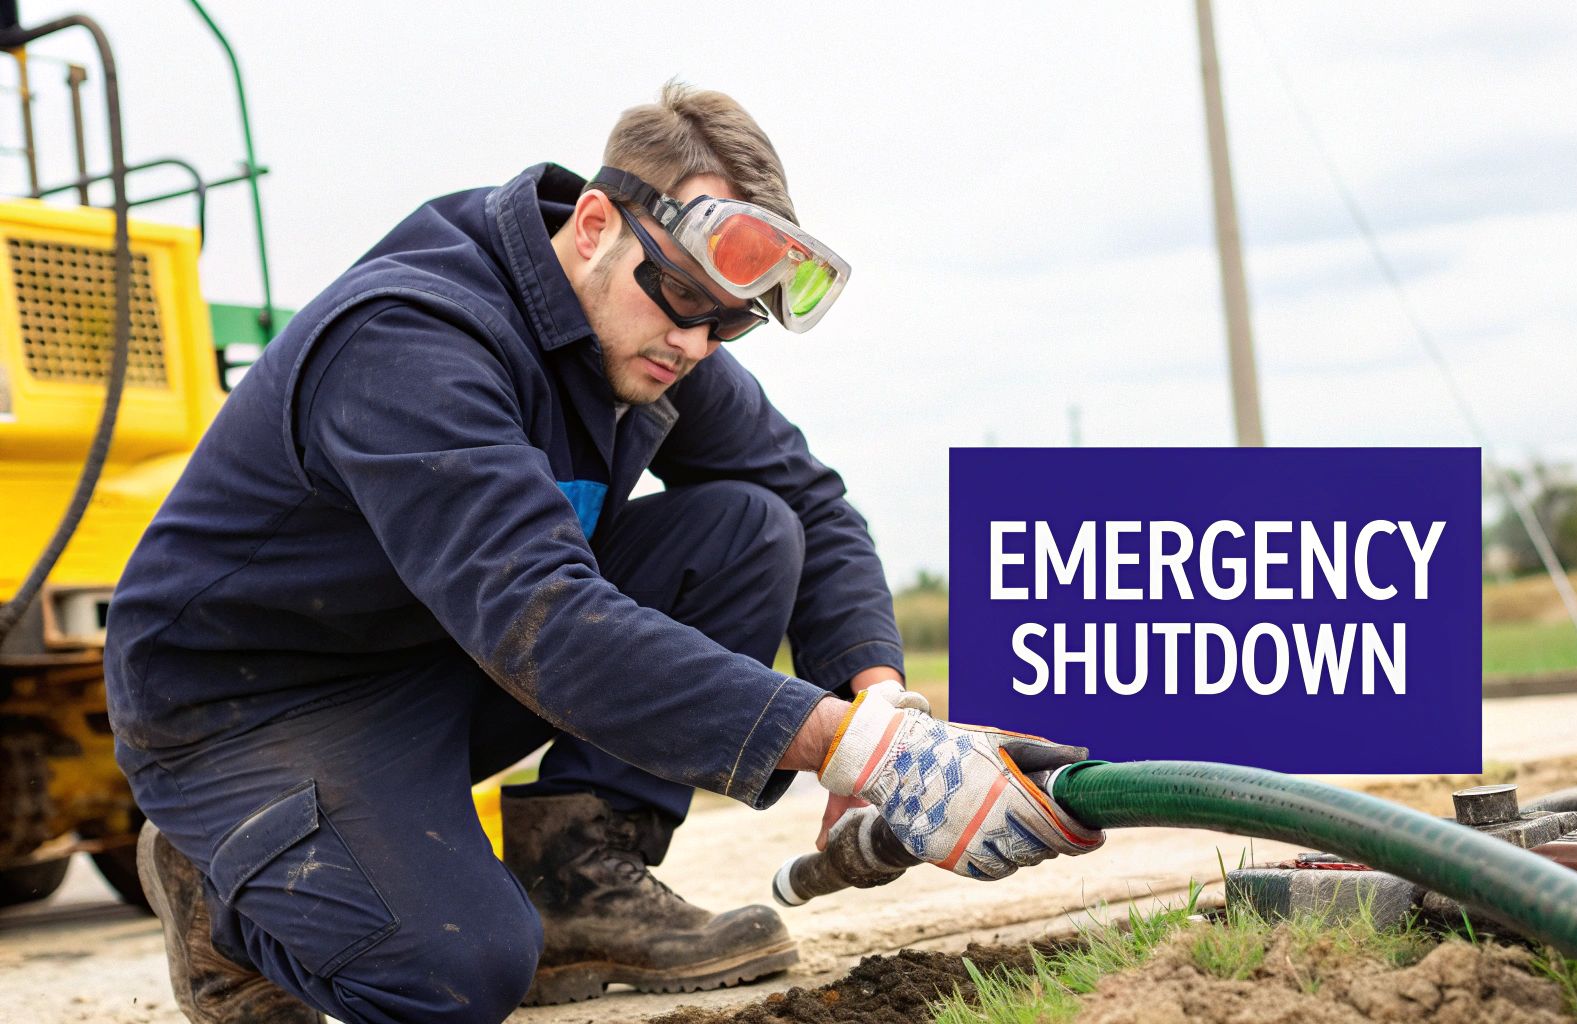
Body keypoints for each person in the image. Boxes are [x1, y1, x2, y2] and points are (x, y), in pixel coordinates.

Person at [105, 83, 1101, 1024]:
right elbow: (548, 620)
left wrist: (881, 702)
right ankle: (222, 890)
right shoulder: (412, 339)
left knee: (751, 530)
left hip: (438, 653)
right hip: (251, 707)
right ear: (593, 225)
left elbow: (811, 499)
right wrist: (858, 750)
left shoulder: (657, 327)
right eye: (680, 300)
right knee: (457, 969)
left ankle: (577, 877)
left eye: (729, 323)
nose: (697, 342)